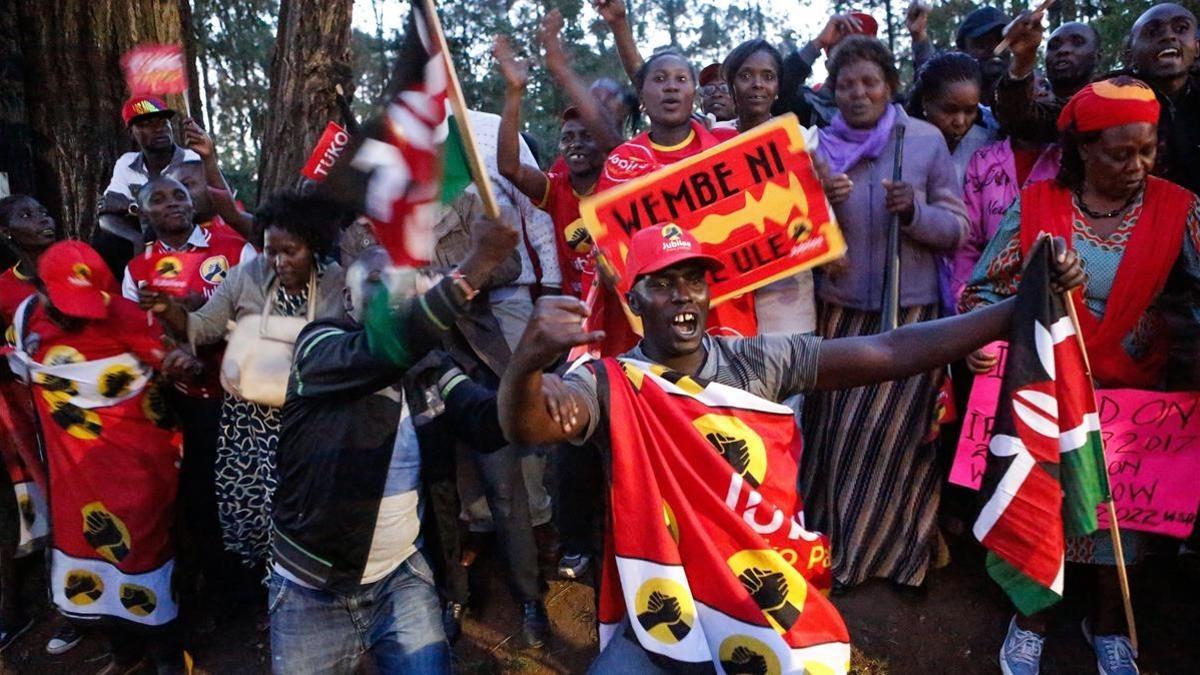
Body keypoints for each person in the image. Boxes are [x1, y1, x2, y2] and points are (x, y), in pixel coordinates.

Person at [496, 225, 1083, 672]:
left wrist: (1018, 308)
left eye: (694, 280)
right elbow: (530, 427)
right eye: (663, 284)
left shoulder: (754, 359)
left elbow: (891, 351)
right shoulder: (609, 383)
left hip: (763, 591)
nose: (683, 297)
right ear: (635, 300)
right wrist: (525, 362)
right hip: (665, 600)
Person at [960, 77, 1200, 675]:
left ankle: (1111, 624)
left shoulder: (1181, 208)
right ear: (1084, 150)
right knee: (1042, 501)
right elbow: (980, 292)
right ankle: (1031, 618)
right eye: (1120, 153)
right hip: (1049, 387)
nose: (1137, 166)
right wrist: (983, 344)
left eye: (1147, 151)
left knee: (1123, 518)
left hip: (1136, 397)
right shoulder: (1039, 204)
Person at [268, 209, 518, 673]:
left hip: (401, 577)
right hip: (311, 584)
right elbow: (380, 352)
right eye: (383, 282)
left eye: (410, 282)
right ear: (348, 298)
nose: (400, 293)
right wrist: (474, 269)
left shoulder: (429, 367)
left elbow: (486, 421)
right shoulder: (318, 346)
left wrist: (531, 369)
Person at [800, 36, 969, 590]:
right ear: (832, 89)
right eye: (846, 84)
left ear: (890, 86)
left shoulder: (923, 141)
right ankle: (841, 556)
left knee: (898, 438)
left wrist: (916, 212)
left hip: (912, 314)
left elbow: (959, 227)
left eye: (869, 82)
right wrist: (819, 199)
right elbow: (792, 230)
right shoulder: (816, 148)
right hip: (839, 314)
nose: (858, 93)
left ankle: (901, 556)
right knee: (842, 436)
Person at [6, 241, 201, 674]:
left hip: (138, 465)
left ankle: (169, 660)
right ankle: (125, 655)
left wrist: (179, 363)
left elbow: (169, 364)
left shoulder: (130, 317)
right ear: (41, 288)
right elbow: (21, 375)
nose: (75, 312)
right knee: (89, 552)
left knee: (144, 555)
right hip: (74, 473)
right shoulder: (25, 320)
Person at [145, 191, 346, 572]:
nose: (279, 262)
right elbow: (201, 329)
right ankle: (266, 594)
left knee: (309, 508)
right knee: (257, 512)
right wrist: (167, 309)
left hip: (310, 418)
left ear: (314, 246)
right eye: (271, 251)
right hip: (251, 422)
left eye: (291, 251)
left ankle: (301, 590)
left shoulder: (336, 281)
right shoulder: (245, 276)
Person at [122, 175, 256, 630]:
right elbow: (132, 334)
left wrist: (214, 322)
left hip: (248, 395)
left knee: (256, 491)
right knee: (202, 501)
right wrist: (167, 360)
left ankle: (267, 588)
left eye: (179, 194)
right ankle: (226, 594)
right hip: (188, 407)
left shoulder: (234, 245)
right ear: (143, 214)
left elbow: (264, 310)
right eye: (157, 199)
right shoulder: (138, 269)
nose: (172, 203)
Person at [594, 48, 757, 347]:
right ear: (642, 97)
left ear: (694, 93)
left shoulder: (730, 148)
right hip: (653, 323)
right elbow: (610, 242)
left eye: (681, 79)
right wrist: (609, 265)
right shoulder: (621, 162)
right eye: (659, 79)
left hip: (726, 315)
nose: (671, 86)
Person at [495, 36, 606, 301]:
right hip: (579, 313)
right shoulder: (556, 188)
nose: (575, 144)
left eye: (586, 135)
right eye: (567, 138)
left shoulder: (622, 182)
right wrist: (514, 91)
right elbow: (509, 167)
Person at [0, 195, 53, 653]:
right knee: (35, 514)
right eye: (27, 217)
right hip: (27, 420)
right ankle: (21, 610)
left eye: (43, 212)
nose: (43, 220)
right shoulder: (3, 291)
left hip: (87, 417)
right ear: (8, 234)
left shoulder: (78, 268)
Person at [94, 97, 201, 277]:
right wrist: (136, 239)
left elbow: (194, 211)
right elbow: (107, 211)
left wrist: (132, 208)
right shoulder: (126, 163)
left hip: (184, 235)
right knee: (104, 242)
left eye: (163, 121)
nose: (159, 128)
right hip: (144, 236)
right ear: (132, 133)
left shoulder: (191, 160)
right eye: (147, 124)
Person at [1118, 3, 1200, 195]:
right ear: (1130, 57)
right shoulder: (1109, 95)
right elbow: (1041, 120)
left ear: (1197, 49)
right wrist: (1031, 51)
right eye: (1153, 32)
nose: (1169, 36)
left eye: (1181, 29)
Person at [994, 13, 1101, 144]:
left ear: (1098, 57)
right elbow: (1020, 121)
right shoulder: (1049, 116)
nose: (1063, 50)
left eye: (1077, 42)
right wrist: (1023, 58)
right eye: (1054, 45)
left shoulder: (1111, 100)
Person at [778, 12, 878, 128]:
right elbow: (774, 93)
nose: (855, 64)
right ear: (829, 65)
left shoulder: (890, 109)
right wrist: (818, 43)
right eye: (845, 56)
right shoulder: (809, 106)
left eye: (863, 55)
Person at [906, 52, 993, 185]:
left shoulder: (989, 142)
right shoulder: (902, 143)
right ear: (925, 102)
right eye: (949, 110)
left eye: (970, 111)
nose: (960, 121)